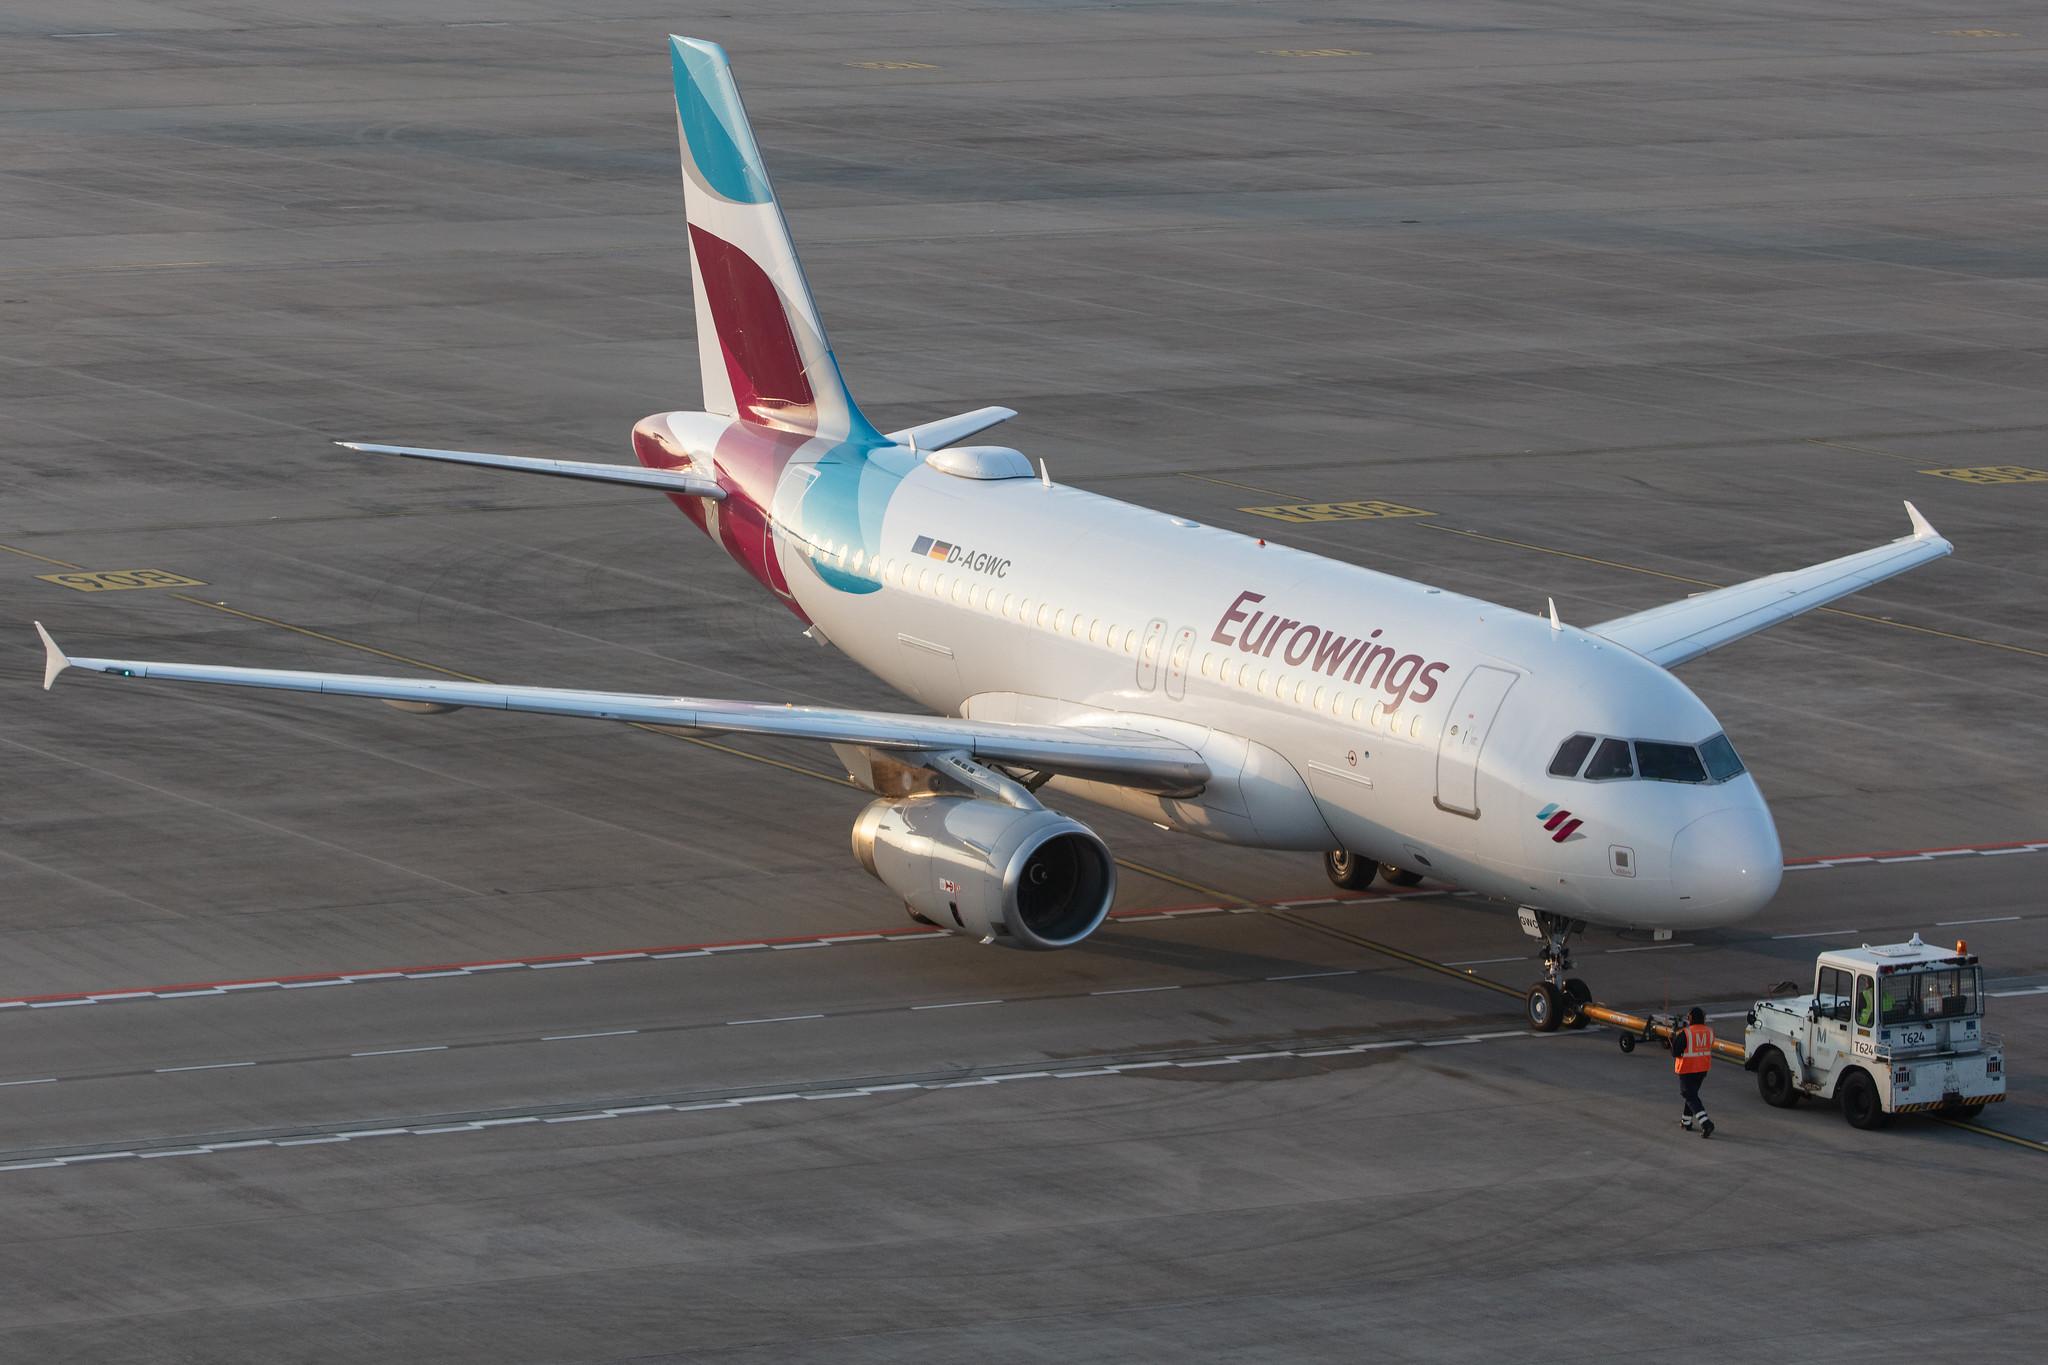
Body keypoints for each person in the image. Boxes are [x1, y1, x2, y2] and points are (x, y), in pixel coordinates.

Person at [1672, 1006, 1715, 1138]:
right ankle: (1686, 1121)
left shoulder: (1686, 1033)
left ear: (1691, 1018)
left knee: (1688, 1094)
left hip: (1688, 1069)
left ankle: (1705, 1123)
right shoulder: (1709, 1031)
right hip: (1702, 1069)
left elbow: (1675, 1052)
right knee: (1692, 1095)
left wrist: (1674, 1039)